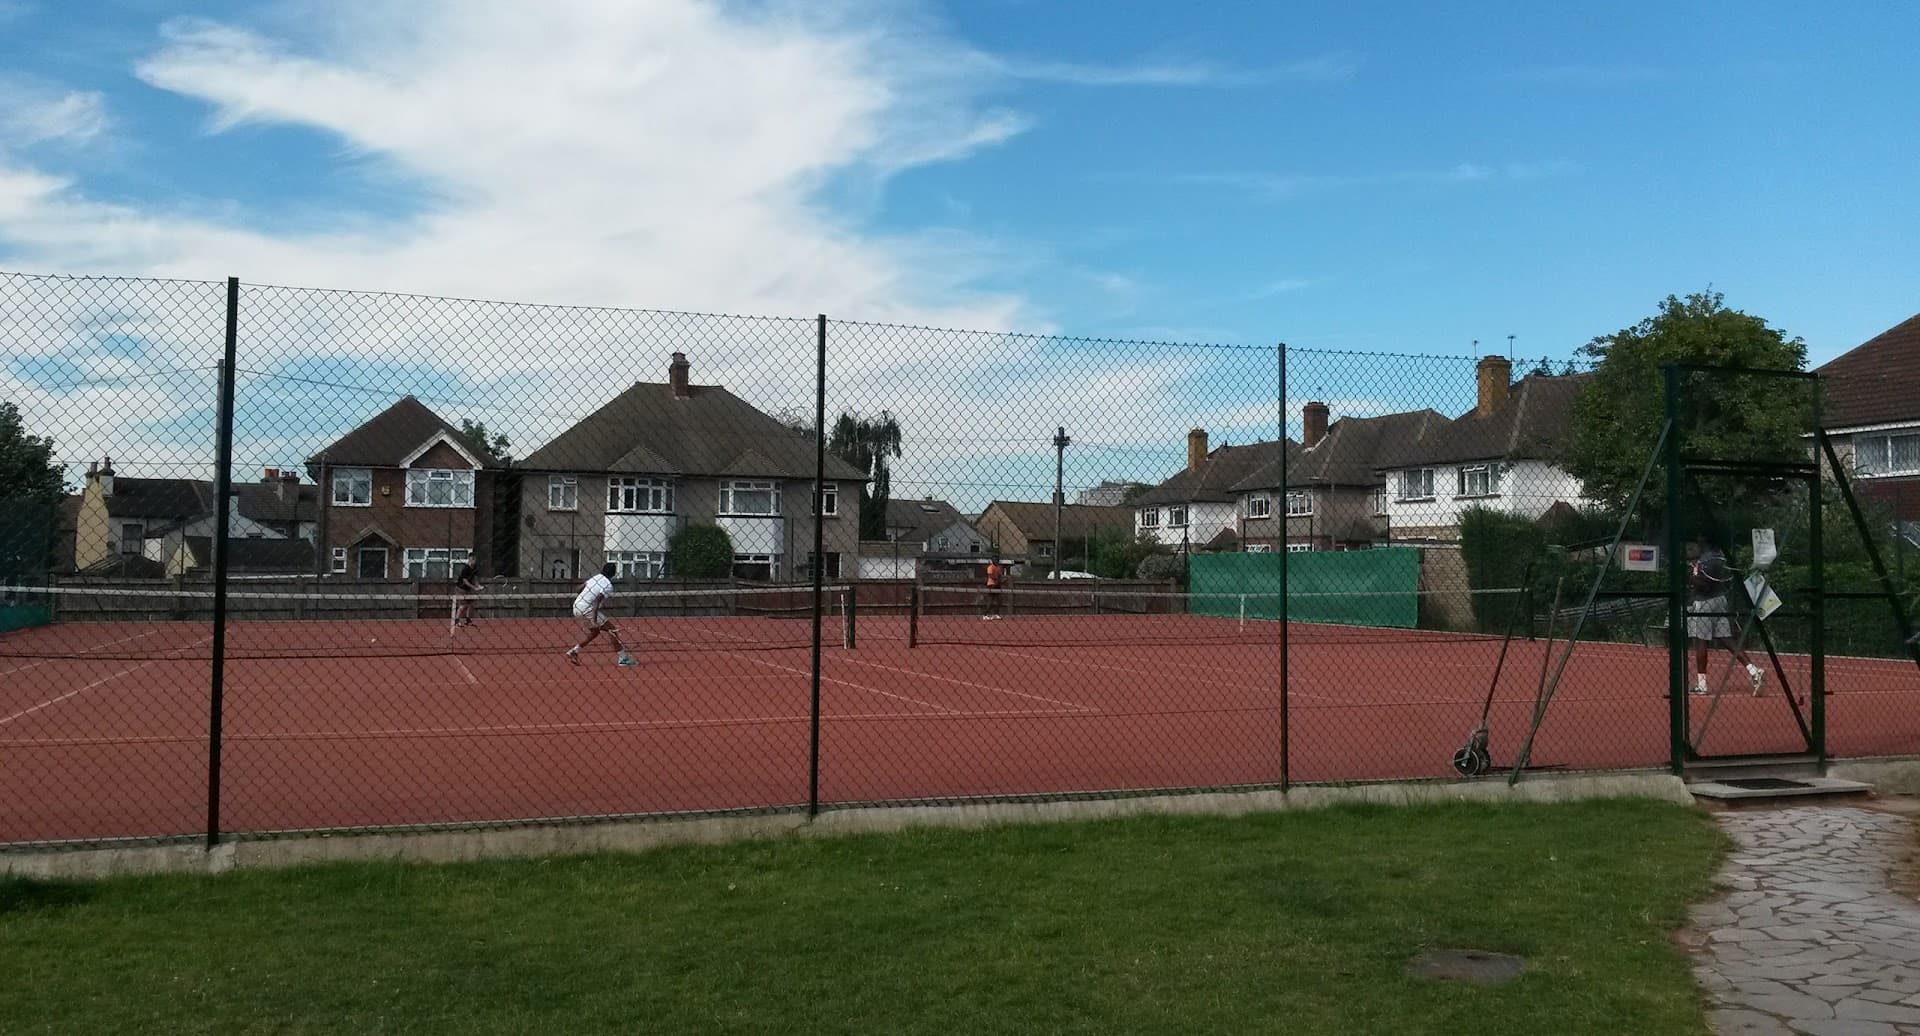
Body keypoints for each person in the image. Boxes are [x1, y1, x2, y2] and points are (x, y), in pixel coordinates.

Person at [1687, 535, 1764, 696]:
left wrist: (1690, 577)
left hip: (1704, 602)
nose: (1696, 542)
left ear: (1704, 541)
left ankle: (1702, 684)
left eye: (1699, 539)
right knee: (1726, 639)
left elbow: (1704, 585)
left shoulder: (1704, 560)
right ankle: (1753, 670)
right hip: (1720, 600)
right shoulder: (1720, 557)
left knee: (1700, 641)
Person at [567, 562, 635, 667]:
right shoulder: (608, 585)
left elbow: (578, 589)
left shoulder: (595, 578)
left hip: (576, 607)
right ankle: (623, 658)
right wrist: (594, 620)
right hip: (588, 609)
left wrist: (587, 594)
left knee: (595, 632)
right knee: (612, 630)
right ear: (614, 574)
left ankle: (574, 651)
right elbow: (597, 603)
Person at [453, 563, 481, 627]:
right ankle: (456, 621)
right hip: (461, 589)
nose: (474, 561)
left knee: (471, 604)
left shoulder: (475, 568)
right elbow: (465, 581)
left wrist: (478, 585)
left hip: (468, 590)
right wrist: (474, 587)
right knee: (463, 605)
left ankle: (468, 620)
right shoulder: (465, 569)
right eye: (472, 560)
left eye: (474, 560)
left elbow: (475, 578)